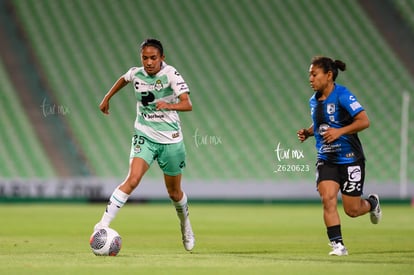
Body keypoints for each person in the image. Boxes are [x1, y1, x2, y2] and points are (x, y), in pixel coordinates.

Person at [94, 38, 195, 251]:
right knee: (132, 179)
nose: (149, 62)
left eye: (153, 58)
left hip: (171, 140)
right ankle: (102, 225)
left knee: (174, 193)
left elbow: (188, 104)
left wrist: (168, 105)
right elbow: (124, 78)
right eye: (145, 58)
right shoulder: (136, 73)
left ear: (162, 58)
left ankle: (185, 225)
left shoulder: (170, 75)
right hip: (144, 135)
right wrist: (107, 97)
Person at [297, 56, 382, 256]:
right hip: (327, 158)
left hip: (350, 158)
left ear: (328, 75)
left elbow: (364, 121)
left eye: (314, 74)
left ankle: (372, 203)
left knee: (352, 210)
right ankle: (338, 245)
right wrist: (309, 132)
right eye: (309, 74)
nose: (310, 78)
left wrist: (340, 132)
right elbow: (322, 123)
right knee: (328, 198)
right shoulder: (313, 101)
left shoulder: (343, 95)